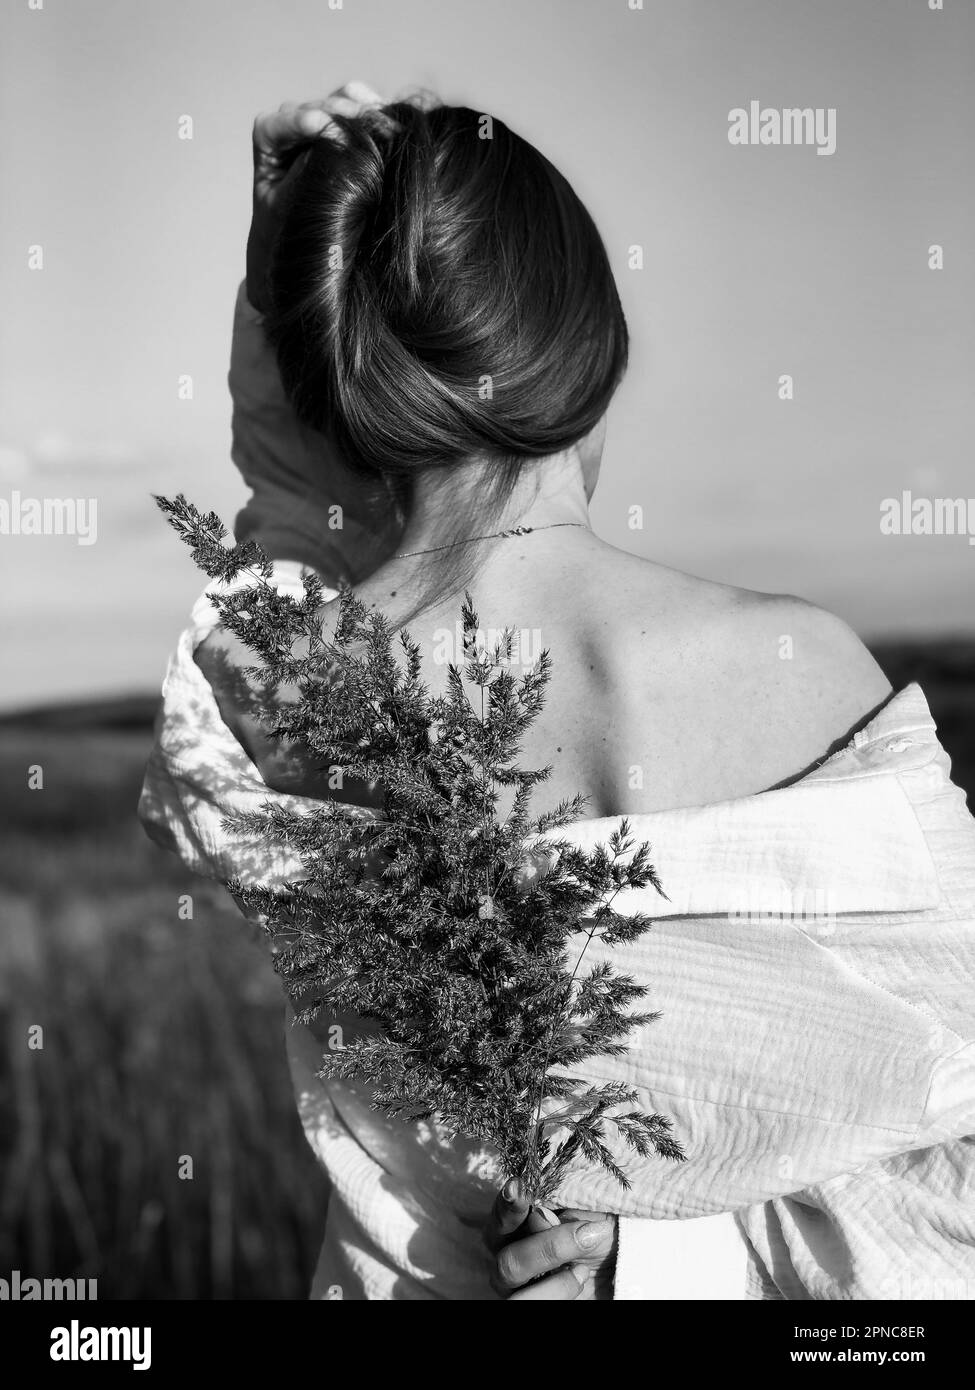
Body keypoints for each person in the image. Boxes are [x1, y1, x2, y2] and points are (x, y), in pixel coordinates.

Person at [139, 84, 975, 1300]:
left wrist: (283, 278)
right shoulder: (811, 672)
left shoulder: (282, 696)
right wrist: (668, 1264)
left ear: (340, 385)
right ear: (592, 352)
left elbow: (280, 529)